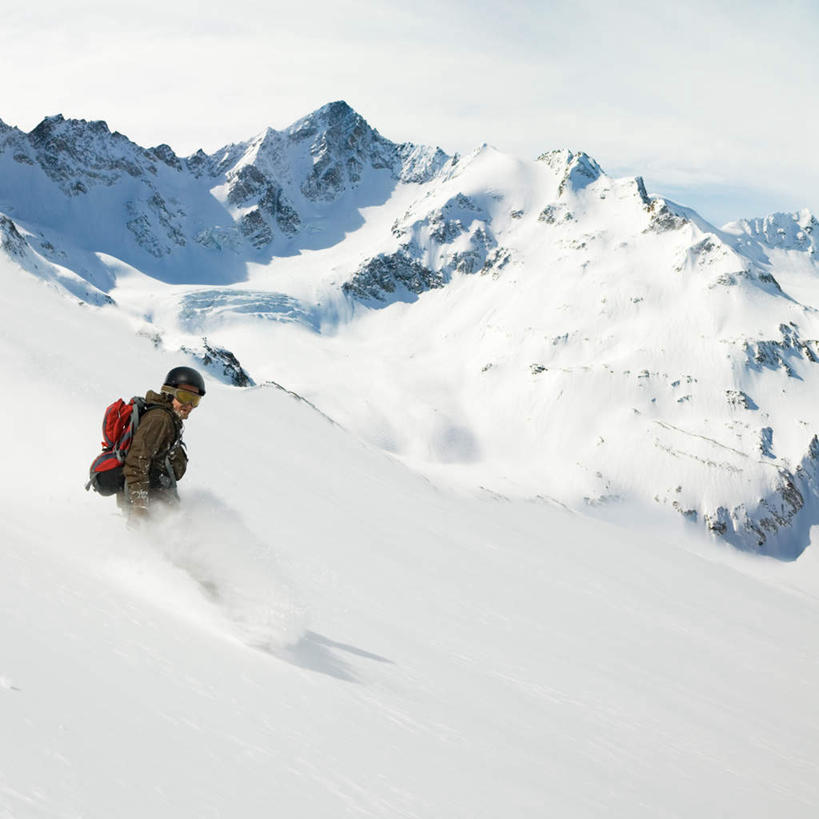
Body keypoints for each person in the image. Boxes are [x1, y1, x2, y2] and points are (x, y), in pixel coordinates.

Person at [119, 366, 205, 521]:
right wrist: (140, 507)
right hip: (143, 504)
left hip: (155, 498)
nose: (189, 405)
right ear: (169, 392)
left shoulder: (169, 418)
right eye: (185, 397)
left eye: (195, 400)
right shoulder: (160, 419)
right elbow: (136, 462)